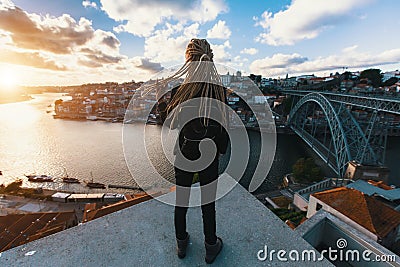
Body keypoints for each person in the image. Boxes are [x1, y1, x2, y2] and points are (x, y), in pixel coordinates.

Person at [164, 38, 229, 264]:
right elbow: (223, 130)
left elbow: (170, 124)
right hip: (209, 156)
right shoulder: (218, 91)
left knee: (181, 202)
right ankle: (211, 245)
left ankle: (181, 243)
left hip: (184, 153)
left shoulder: (180, 91)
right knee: (207, 205)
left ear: (188, 60)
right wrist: (221, 149)